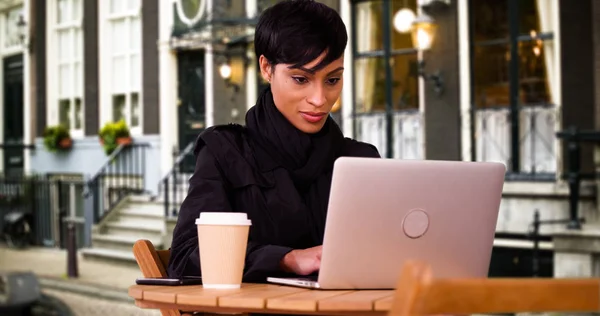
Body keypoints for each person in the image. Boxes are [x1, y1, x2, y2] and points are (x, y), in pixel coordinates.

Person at [167, 0, 380, 283]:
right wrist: (285, 259)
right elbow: (185, 257)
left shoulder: (361, 160)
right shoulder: (224, 153)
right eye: (301, 79)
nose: (319, 99)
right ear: (266, 68)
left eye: (332, 80)